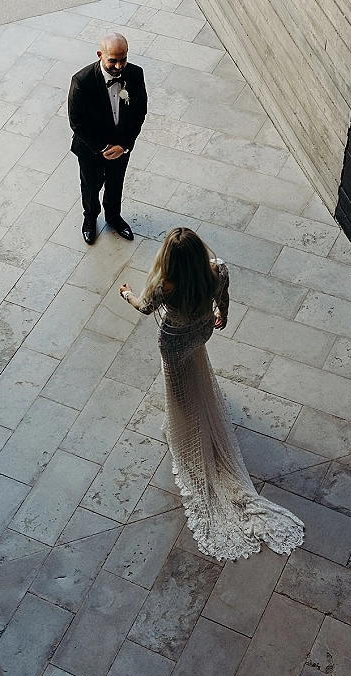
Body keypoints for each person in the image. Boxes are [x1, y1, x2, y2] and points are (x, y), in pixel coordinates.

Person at [119, 227, 304, 561]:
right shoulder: (217, 271)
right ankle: (196, 409)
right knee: (197, 366)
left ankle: (184, 425)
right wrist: (222, 316)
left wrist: (126, 293)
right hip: (202, 332)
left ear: (170, 259)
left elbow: (144, 307)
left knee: (178, 388)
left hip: (174, 341)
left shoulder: (166, 286)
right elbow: (224, 301)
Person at [68, 32, 148, 245]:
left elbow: (139, 112)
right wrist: (103, 147)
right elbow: (77, 122)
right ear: (100, 55)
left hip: (121, 148)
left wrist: (124, 145)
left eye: (123, 59)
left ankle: (113, 217)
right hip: (90, 149)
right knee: (90, 186)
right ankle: (90, 219)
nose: (119, 66)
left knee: (116, 184)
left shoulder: (136, 74)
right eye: (113, 60)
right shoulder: (82, 81)